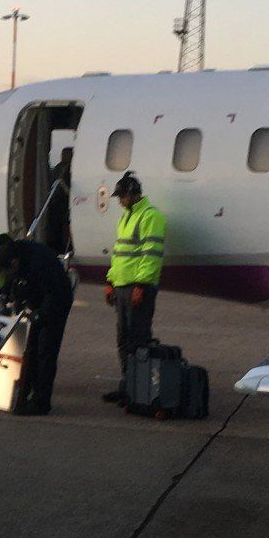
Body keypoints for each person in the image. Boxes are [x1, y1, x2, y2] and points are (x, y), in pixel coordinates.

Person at [102, 171, 166, 404]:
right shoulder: (126, 216)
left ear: (133, 195)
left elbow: (151, 255)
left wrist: (142, 284)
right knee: (124, 339)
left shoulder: (151, 217)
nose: (119, 201)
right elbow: (119, 253)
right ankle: (128, 385)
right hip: (122, 286)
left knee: (139, 339)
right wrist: (110, 281)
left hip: (138, 288)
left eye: (122, 197)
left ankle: (141, 390)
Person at [0, 236, 73, 416]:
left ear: (13, 262)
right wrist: (5, 297)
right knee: (30, 350)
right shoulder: (15, 256)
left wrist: (38, 316)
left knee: (45, 351)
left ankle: (41, 402)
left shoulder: (40, 262)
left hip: (57, 302)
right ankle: (25, 394)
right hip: (39, 300)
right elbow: (12, 280)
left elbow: (53, 295)